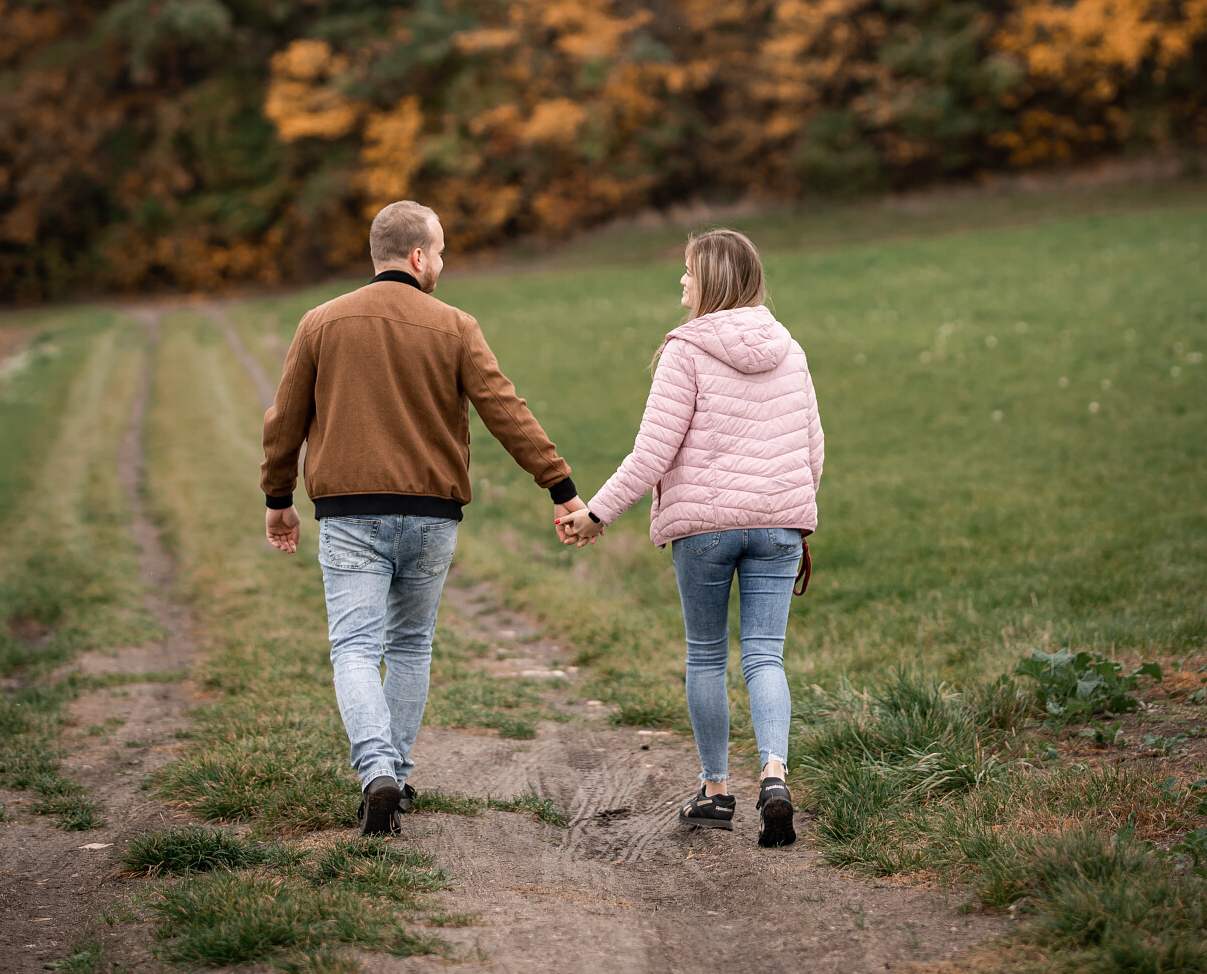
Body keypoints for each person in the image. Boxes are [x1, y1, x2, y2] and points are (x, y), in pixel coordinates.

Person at [261, 198, 587, 835]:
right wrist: (562, 487)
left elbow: (284, 422)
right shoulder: (455, 325)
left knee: (354, 647)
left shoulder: (320, 322)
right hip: (433, 514)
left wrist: (279, 501)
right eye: (439, 252)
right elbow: (505, 410)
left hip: (350, 512)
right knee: (409, 645)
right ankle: (398, 775)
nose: (442, 262)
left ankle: (376, 770)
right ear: (417, 257)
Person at [558, 229, 822, 847]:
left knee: (707, 654)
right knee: (765, 655)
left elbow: (653, 452)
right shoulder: (791, 349)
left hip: (704, 530)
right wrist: (790, 512)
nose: (680, 281)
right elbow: (813, 452)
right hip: (781, 526)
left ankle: (717, 791)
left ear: (713, 280)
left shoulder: (686, 351)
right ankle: (776, 775)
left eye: (687, 271)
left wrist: (597, 514)